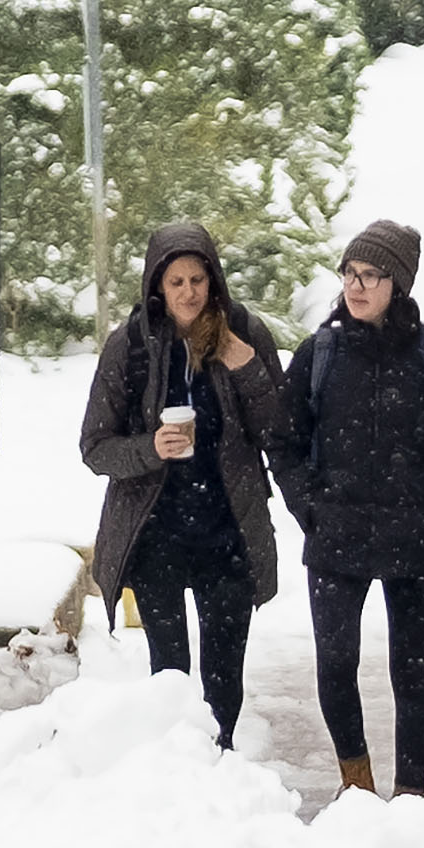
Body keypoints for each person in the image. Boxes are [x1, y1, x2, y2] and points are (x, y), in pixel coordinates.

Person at [275, 216, 424, 799]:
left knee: (412, 676)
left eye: (371, 275)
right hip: (337, 537)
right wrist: (310, 505)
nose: (355, 287)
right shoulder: (320, 354)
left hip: (418, 542)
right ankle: (355, 785)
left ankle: (411, 796)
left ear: (398, 283)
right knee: (335, 667)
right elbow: (282, 439)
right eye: (349, 273)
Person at [78, 220, 287, 745]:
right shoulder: (130, 347)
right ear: (158, 287)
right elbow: (95, 446)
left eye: (198, 280)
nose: (189, 292)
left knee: (224, 673)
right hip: (157, 533)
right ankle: (175, 768)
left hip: (227, 528)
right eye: (177, 282)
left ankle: (220, 760)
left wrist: (248, 369)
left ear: (213, 281)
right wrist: (150, 448)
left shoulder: (245, 333)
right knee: (169, 671)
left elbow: (281, 431)